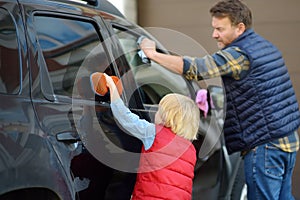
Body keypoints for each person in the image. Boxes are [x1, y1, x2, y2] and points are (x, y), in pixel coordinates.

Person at [138, 0, 300, 199]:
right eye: (214, 28)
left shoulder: (240, 54)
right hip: (287, 141)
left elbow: (197, 68)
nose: (214, 34)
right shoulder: (264, 46)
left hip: (265, 147)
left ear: (240, 28)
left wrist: (152, 54)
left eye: (220, 29)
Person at [103, 73, 200, 200]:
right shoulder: (190, 150)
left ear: (167, 116)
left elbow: (125, 118)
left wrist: (113, 90)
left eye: (159, 110)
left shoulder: (154, 133)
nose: (155, 113)